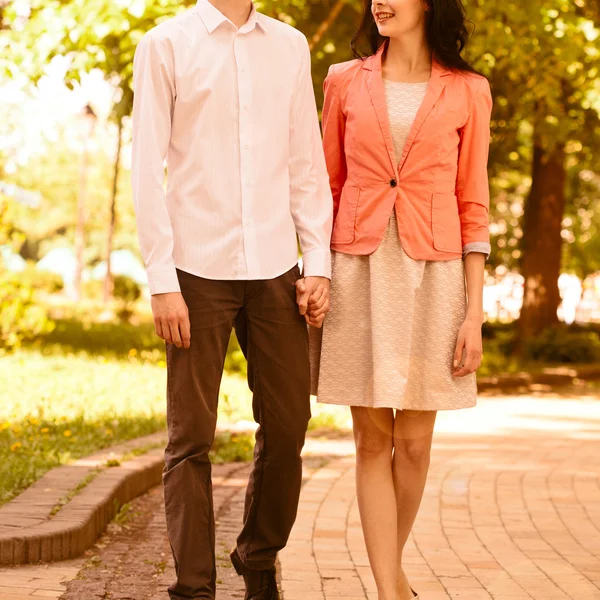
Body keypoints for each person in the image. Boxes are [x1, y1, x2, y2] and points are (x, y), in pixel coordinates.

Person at [131, 1, 333, 598]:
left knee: (290, 422)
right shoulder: (165, 44)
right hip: (194, 269)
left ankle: (258, 555)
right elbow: (146, 168)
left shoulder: (290, 45)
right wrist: (161, 279)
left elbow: (305, 161)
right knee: (190, 435)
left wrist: (316, 262)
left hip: (275, 266)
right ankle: (194, 586)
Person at [307, 0, 493, 598]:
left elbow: (474, 204)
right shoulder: (343, 80)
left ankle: (394, 575)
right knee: (370, 439)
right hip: (357, 267)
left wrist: (474, 311)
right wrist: (317, 271)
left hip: (434, 275)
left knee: (413, 444)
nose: (378, 1)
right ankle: (388, 591)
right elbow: (324, 186)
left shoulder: (469, 91)